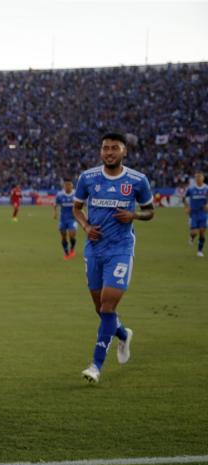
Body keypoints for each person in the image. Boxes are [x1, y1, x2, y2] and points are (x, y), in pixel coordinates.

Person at [72, 133, 154, 384]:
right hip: (94, 249)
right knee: (100, 308)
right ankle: (122, 333)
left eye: (114, 148)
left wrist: (134, 216)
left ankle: (96, 365)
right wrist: (86, 227)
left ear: (124, 151)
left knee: (108, 305)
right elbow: (76, 208)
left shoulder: (137, 180)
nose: (109, 152)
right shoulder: (88, 178)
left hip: (120, 248)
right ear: (101, 151)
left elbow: (150, 211)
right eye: (105, 148)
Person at [184, 171, 207, 257]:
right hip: (193, 213)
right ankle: (192, 237)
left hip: (203, 213)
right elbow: (184, 198)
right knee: (194, 232)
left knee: (202, 232)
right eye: (197, 177)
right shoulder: (191, 189)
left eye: (200, 177)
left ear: (203, 178)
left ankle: (199, 251)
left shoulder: (206, 188)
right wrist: (186, 207)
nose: (198, 179)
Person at [54, 179, 78, 259]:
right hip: (63, 219)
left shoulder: (76, 194)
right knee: (63, 236)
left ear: (72, 185)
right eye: (66, 185)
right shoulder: (60, 195)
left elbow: (81, 204)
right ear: (64, 186)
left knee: (72, 235)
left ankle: (72, 249)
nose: (67, 186)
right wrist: (55, 213)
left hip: (72, 219)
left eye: (69, 185)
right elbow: (55, 204)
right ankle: (66, 252)